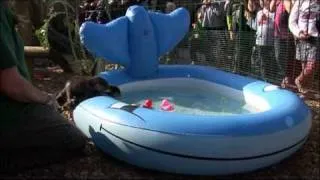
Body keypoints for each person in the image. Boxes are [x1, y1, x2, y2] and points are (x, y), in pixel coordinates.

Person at [0, 1, 87, 174]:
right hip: (8, 111)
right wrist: (46, 99)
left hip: (13, 101)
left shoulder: (7, 12)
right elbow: (11, 85)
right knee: (73, 140)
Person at [288, 0, 319, 94]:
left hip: (317, 38)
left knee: (314, 64)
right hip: (302, 38)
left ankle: (299, 80)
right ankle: (305, 95)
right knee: (305, 67)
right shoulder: (300, 2)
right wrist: (299, 32)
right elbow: (292, 22)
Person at [270, 0, 296, 88]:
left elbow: (292, 12)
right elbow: (271, 8)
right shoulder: (278, 2)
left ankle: (287, 82)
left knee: (287, 61)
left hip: (288, 38)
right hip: (278, 36)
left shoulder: (288, 2)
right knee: (279, 58)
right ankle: (284, 81)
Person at [254, 0, 275, 80]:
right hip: (260, 41)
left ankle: (272, 78)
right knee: (262, 61)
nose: (265, 2)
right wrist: (260, 20)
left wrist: (269, 19)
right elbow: (256, 26)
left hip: (271, 41)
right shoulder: (259, 12)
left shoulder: (274, 12)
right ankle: (264, 79)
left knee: (271, 61)